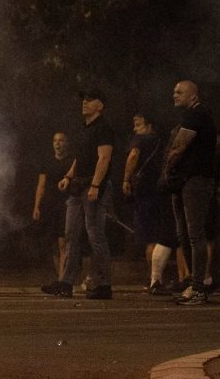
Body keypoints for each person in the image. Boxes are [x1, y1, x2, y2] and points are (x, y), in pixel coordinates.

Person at [44, 89, 115, 300]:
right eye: (83, 100)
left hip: (93, 187)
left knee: (95, 235)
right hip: (78, 186)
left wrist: (95, 185)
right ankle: (66, 282)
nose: (84, 103)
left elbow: (104, 159)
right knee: (70, 235)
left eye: (89, 100)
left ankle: (104, 284)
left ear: (100, 105)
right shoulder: (84, 128)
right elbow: (81, 158)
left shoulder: (104, 128)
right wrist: (68, 176)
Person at [165, 80, 217, 305]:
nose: (174, 95)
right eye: (174, 91)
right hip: (186, 181)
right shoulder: (192, 115)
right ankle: (194, 282)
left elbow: (179, 146)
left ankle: (198, 286)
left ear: (193, 95)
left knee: (194, 235)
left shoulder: (196, 115)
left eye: (179, 92)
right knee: (183, 234)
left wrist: (168, 168)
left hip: (196, 181)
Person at [122, 112, 175, 295]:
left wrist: (126, 179)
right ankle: (157, 278)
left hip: (144, 192)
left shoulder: (140, 140)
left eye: (138, 125)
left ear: (149, 126)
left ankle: (154, 279)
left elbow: (133, 156)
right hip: (160, 192)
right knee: (159, 235)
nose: (135, 129)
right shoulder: (161, 142)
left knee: (149, 237)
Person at [34, 132, 72, 282]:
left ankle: (63, 278)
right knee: (53, 245)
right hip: (50, 205)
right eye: (55, 140)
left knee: (63, 242)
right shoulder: (47, 162)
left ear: (66, 143)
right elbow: (41, 185)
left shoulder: (71, 162)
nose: (58, 143)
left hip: (66, 205)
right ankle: (59, 275)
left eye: (61, 140)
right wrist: (36, 206)